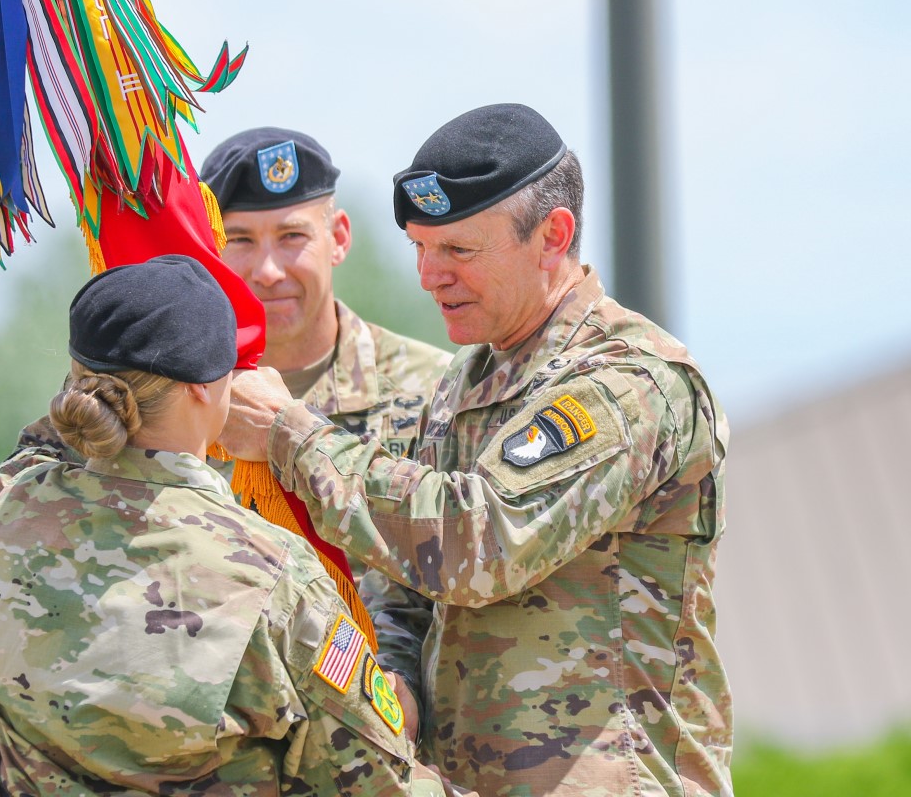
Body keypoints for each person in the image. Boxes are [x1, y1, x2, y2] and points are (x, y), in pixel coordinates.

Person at [220, 104, 732, 796]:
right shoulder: (467, 381)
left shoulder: (628, 380)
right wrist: (394, 679)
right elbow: (408, 586)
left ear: (552, 237)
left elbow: (479, 541)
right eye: (421, 248)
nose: (429, 276)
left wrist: (290, 434)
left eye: (458, 251)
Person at [0, 255, 476, 796]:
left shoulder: (12, 502)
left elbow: (42, 445)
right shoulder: (266, 574)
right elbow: (378, 780)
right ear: (204, 387)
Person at [200, 126, 452, 463]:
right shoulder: (177, 400)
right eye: (241, 240)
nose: (268, 272)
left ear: (339, 238)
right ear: (210, 249)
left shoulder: (438, 390)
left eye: (292, 236)